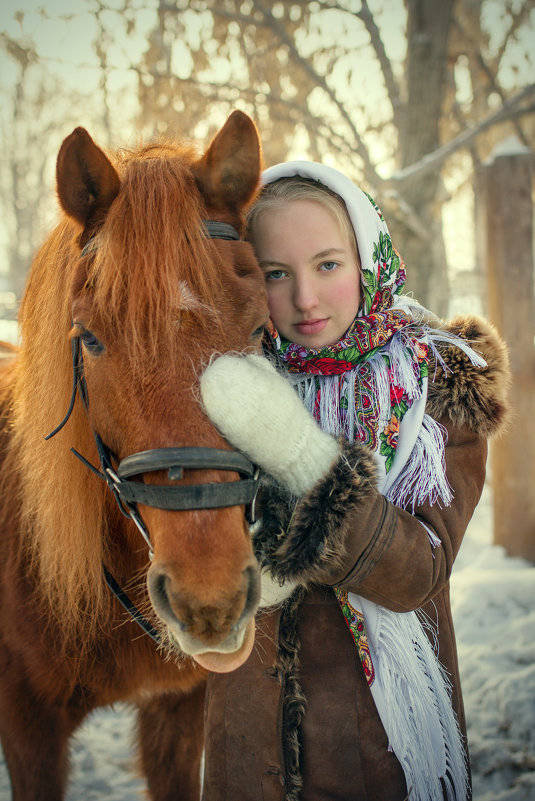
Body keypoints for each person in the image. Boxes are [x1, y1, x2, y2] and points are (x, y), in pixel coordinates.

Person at [199, 161, 510, 801]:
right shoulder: (227, 384)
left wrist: (301, 458)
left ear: (368, 257)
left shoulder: (437, 385)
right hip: (247, 746)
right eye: (277, 274)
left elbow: (419, 571)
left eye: (328, 265)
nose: (305, 299)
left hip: (381, 748)